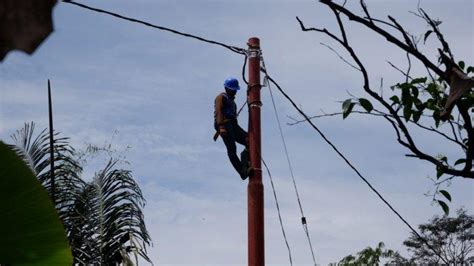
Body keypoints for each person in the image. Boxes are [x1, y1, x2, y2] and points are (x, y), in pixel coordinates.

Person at [214, 77, 252, 180]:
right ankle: (242, 171)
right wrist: (221, 127)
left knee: (249, 139)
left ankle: (245, 163)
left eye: (235, 90)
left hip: (232, 125)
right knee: (232, 149)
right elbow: (218, 112)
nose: (235, 92)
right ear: (227, 88)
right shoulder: (221, 97)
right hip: (224, 125)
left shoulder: (232, 102)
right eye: (233, 89)